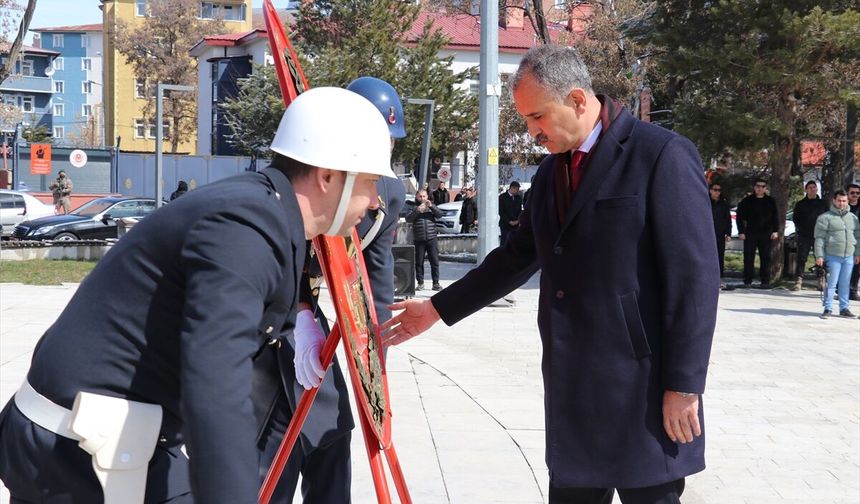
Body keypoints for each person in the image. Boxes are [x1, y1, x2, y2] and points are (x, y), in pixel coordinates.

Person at [0, 87, 394, 504]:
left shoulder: (259, 210)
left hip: (95, 434)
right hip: (75, 449)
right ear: (328, 175)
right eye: (368, 181)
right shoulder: (247, 228)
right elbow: (217, 385)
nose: (373, 201)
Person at [382, 44, 718, 504]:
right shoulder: (549, 174)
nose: (531, 132)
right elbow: (516, 257)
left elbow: (694, 281)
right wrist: (439, 308)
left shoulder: (659, 156)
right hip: (574, 388)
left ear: (578, 100)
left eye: (537, 117)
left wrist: (683, 385)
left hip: (641, 390)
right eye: (526, 120)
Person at [255, 76, 407, 504]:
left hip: (315, 318)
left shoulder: (387, 193)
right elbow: (287, 252)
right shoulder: (294, 178)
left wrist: (371, 354)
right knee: (274, 442)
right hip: (272, 313)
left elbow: (376, 276)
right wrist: (301, 311)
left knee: (332, 427)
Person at [814, 190, 860, 318]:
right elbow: (819, 238)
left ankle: (844, 308)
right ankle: (828, 308)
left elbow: (857, 237)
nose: (841, 203)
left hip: (849, 256)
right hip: (832, 255)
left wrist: (857, 253)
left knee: (845, 283)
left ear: (847, 201)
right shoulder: (825, 218)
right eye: (839, 200)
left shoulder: (853, 218)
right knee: (831, 283)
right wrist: (819, 256)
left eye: (844, 201)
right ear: (834, 201)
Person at [736, 178, 779, 288]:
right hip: (750, 233)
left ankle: (765, 281)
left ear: (765, 188)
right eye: (758, 186)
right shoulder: (747, 201)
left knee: (765, 257)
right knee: (749, 257)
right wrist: (741, 231)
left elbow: (775, 217)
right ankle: (748, 280)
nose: (760, 188)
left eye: (762, 186)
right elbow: (739, 217)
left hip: (766, 233)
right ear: (754, 188)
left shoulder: (770, 201)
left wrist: (775, 231)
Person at [791, 180, 827, 290]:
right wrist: (801, 229)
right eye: (810, 187)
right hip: (804, 235)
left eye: (814, 187)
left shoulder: (823, 203)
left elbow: (828, 218)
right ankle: (799, 280)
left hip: (819, 236)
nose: (812, 189)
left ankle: (821, 279)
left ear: (817, 189)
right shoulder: (800, 204)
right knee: (802, 258)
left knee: (820, 258)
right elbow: (795, 219)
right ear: (806, 190)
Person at [406, 189, 442, 291]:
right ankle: (420, 283)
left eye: (424, 196)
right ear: (417, 197)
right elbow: (408, 219)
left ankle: (436, 283)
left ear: (427, 196)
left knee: (434, 262)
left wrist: (431, 206)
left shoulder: (431, 206)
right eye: (420, 196)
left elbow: (440, 215)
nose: (422, 198)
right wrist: (417, 210)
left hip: (432, 238)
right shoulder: (413, 207)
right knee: (419, 262)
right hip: (419, 239)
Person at [709, 182, 732, 283]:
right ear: (710, 190)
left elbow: (728, 219)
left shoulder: (724, 204)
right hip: (707, 233)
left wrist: (728, 233)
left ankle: (719, 277)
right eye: (715, 190)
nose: (717, 192)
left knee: (719, 255)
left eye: (719, 190)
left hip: (720, 233)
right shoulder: (705, 202)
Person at [499, 181, 523, 245]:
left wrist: (518, 220)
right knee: (505, 242)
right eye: (517, 189)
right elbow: (501, 211)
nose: (518, 191)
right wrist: (509, 221)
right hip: (505, 225)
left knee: (515, 243)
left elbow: (520, 210)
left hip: (516, 225)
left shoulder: (518, 198)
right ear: (512, 188)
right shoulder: (502, 197)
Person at [847, 183, 860, 300]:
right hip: (845, 241)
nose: (855, 195)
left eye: (857, 193)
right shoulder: (843, 206)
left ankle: (853, 290)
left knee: (856, 266)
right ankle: (841, 290)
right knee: (844, 267)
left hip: (858, 240)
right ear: (847, 193)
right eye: (852, 192)